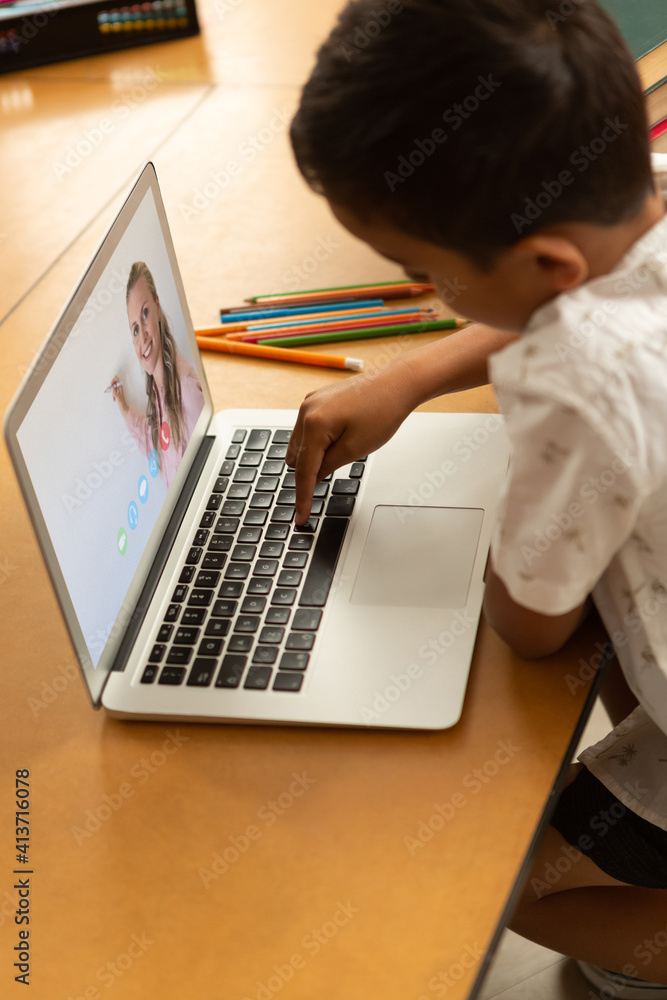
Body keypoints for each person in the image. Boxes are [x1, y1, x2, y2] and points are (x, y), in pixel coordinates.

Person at [284, 0, 667, 994]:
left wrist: (504, 545)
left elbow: (533, 624)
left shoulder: (573, 385)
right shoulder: (645, 202)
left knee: (504, 875)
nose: (432, 293)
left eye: (428, 275)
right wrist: (411, 378)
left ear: (543, 263)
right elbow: (590, 290)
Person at [110, 261, 204, 488]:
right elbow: (156, 447)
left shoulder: (187, 390)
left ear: (157, 306)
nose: (142, 336)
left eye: (145, 314)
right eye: (134, 329)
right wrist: (123, 406)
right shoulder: (158, 395)